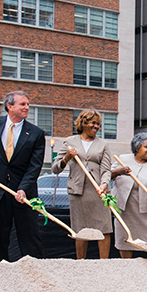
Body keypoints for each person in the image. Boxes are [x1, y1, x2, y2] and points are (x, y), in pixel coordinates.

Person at [0, 91, 46, 262]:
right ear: (9, 106)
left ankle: (34, 275)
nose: (27, 107)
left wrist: (24, 188)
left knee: (30, 239)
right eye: (23, 104)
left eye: (28, 104)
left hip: (24, 194)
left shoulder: (36, 133)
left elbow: (35, 167)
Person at [52, 110, 113, 259]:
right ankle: (81, 263)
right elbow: (55, 168)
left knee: (103, 228)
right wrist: (67, 157)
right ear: (83, 123)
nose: (96, 126)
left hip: (99, 191)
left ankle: (103, 264)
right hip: (77, 191)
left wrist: (104, 184)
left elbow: (106, 169)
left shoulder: (103, 144)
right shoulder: (69, 142)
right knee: (80, 228)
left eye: (98, 124)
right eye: (93, 123)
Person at [110, 133, 147, 257]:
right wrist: (118, 171)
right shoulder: (123, 159)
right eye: (146, 146)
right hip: (125, 208)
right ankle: (128, 266)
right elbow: (108, 176)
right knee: (125, 238)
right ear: (137, 147)